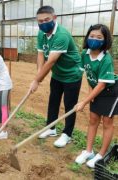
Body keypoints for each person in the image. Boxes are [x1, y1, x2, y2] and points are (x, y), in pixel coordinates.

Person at [29, 6, 82, 147]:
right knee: (53, 101)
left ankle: (67, 134)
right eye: (40, 21)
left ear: (54, 18)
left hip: (72, 74)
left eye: (47, 19)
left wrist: (36, 80)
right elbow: (41, 53)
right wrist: (39, 75)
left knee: (70, 105)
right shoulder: (41, 33)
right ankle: (51, 128)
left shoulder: (61, 35)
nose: (43, 23)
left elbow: (51, 60)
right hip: (58, 74)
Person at [75, 24, 118, 168]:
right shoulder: (85, 54)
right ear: (87, 37)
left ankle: (101, 154)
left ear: (105, 41)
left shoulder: (106, 59)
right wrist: (89, 92)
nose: (94, 39)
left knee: (107, 122)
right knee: (93, 119)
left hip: (110, 92)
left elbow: (102, 85)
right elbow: (89, 75)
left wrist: (84, 101)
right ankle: (88, 151)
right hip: (96, 90)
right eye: (92, 36)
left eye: (99, 37)